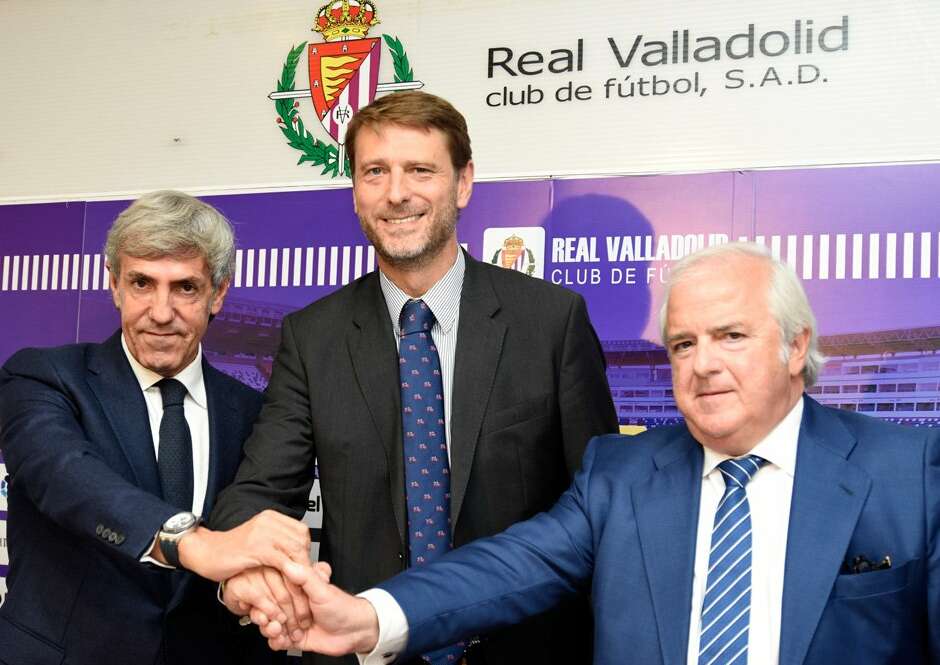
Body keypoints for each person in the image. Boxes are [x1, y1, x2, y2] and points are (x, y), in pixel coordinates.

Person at [262, 242, 939, 665]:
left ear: (797, 346)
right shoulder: (620, 474)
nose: (702, 364)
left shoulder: (909, 474)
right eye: (682, 343)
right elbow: (506, 566)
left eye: (731, 335)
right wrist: (371, 614)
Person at [209, 91, 618, 664]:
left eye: (420, 170)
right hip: (360, 649)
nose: (396, 193)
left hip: (524, 648)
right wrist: (244, 570)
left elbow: (599, 504)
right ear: (355, 190)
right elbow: (259, 491)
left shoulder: (551, 322)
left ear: (463, 182)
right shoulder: (313, 336)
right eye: (375, 172)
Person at [0, 191, 310, 665]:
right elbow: (65, 475)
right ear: (115, 286)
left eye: (185, 287)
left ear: (219, 293)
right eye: (142, 283)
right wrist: (194, 545)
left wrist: (245, 581)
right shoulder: (42, 377)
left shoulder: (256, 411)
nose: (161, 313)